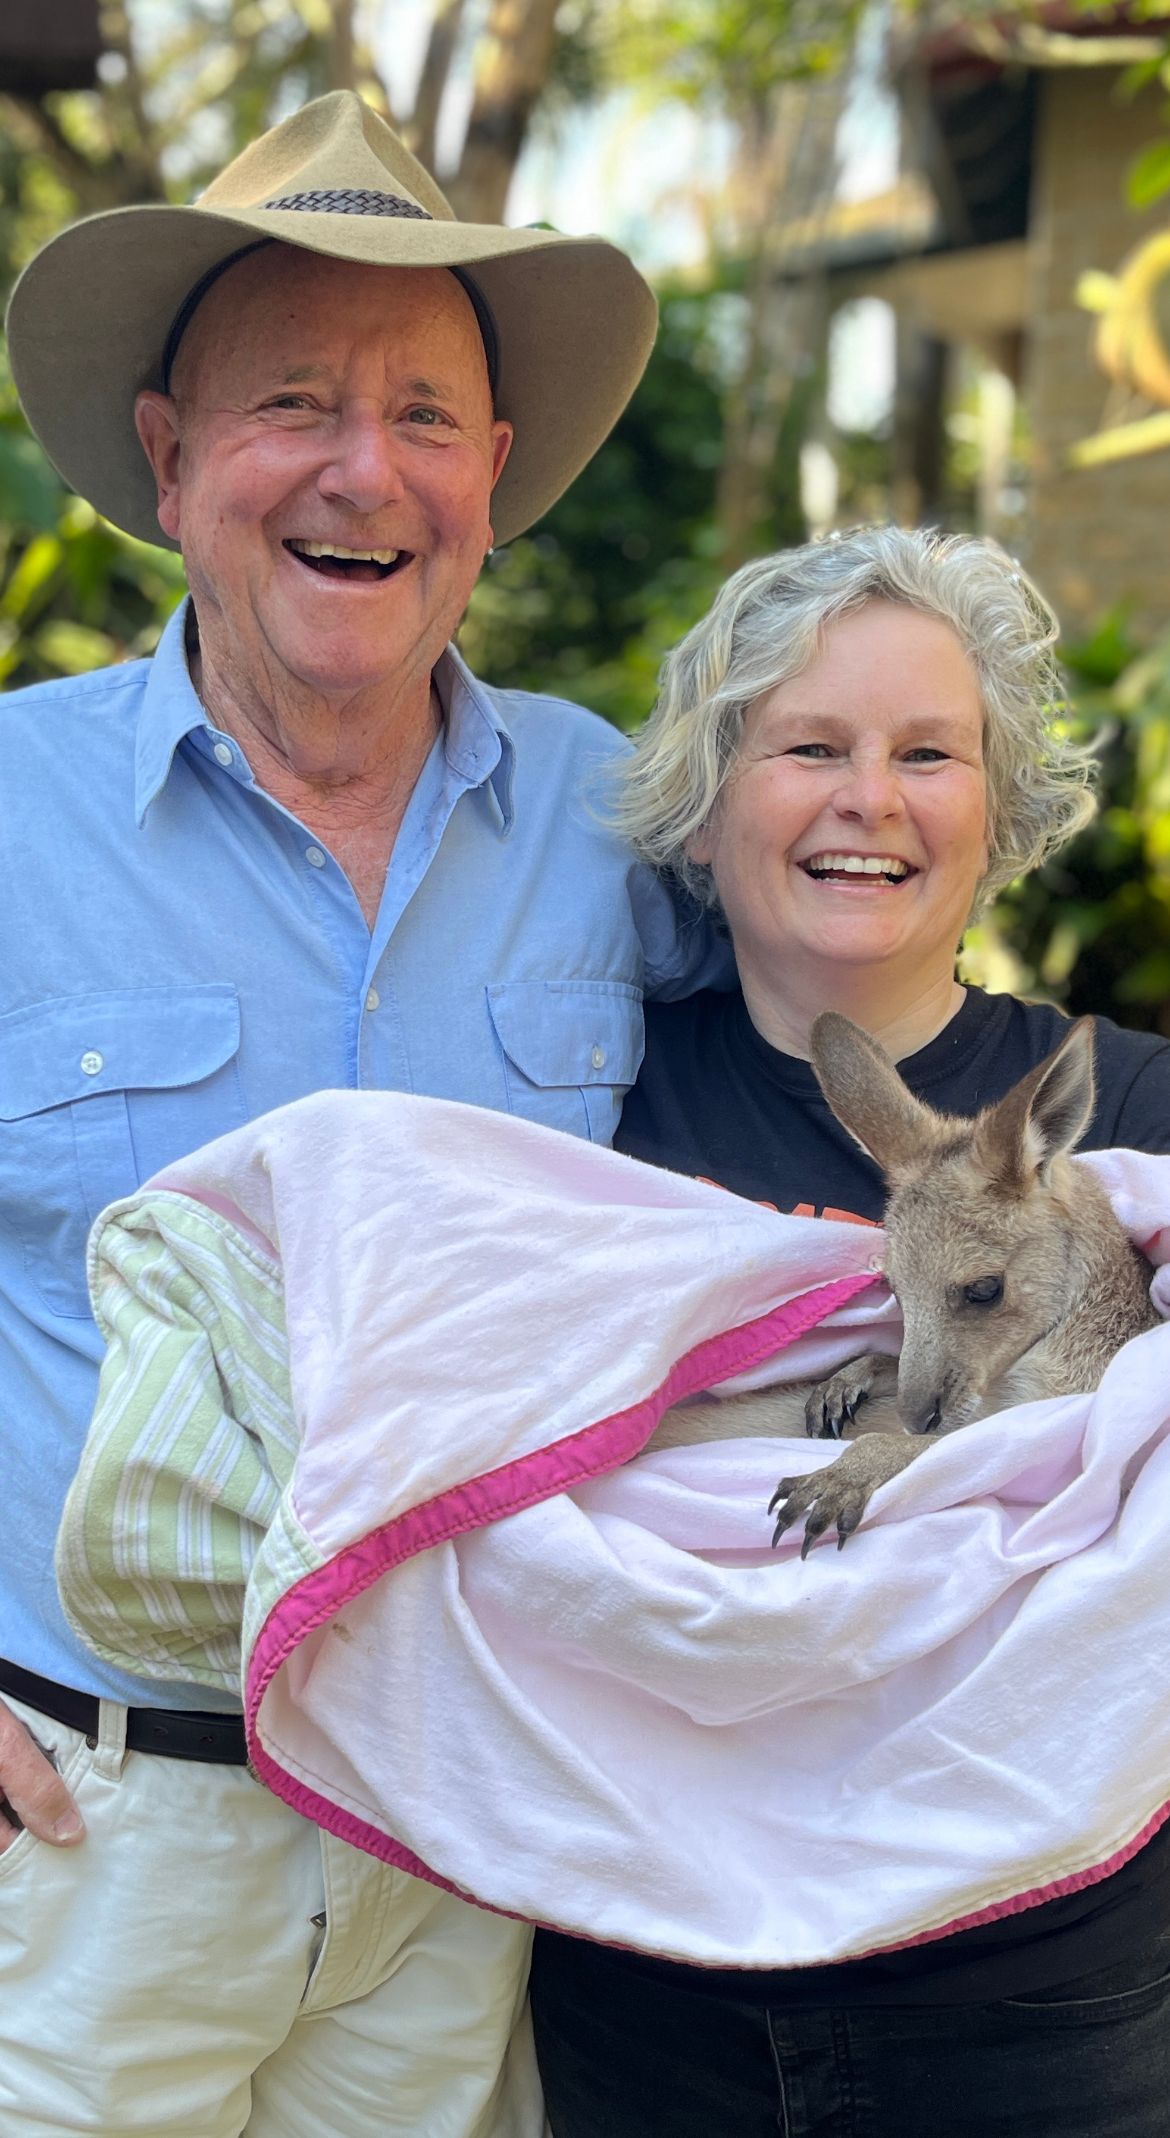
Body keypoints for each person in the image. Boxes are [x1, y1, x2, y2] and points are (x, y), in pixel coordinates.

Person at [0, 90, 725, 2138]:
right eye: (293, 400)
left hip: (460, 1832)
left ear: (491, 476)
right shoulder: (7, 809)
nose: (360, 468)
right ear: (168, 460)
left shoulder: (612, 822)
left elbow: (812, 1066)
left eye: (423, 414)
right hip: (83, 1837)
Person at [529, 525, 1170, 2138]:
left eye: (926, 754)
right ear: (714, 787)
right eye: (806, 744)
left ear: (992, 804)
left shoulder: (1130, 1108)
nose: (865, 798)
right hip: (651, 1960)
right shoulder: (588, 1095)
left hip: (1029, 1981)